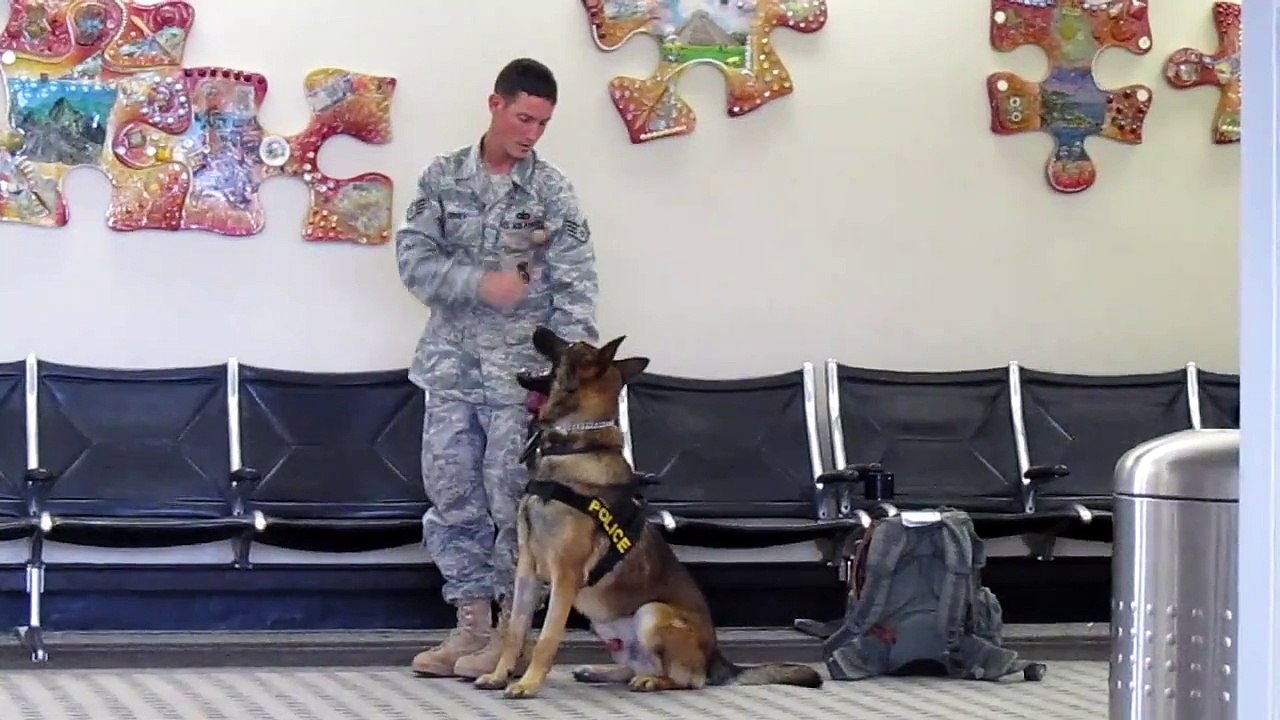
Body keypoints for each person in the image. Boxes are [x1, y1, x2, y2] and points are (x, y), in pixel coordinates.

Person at [394, 58, 599, 679]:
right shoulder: (444, 177)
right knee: (452, 497)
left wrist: (565, 387)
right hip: (450, 371)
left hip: (520, 381)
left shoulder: (551, 193)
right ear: (495, 104)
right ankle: (470, 626)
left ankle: (510, 637)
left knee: (513, 503)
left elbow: (578, 289)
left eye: (543, 122)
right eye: (523, 117)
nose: (532, 132)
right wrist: (480, 283)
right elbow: (413, 262)